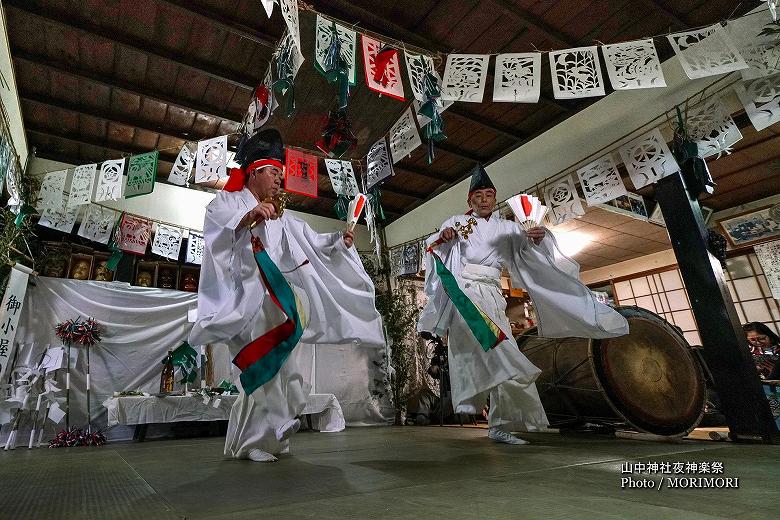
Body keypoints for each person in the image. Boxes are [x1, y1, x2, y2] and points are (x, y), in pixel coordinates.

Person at [189, 129, 384, 462]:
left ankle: (266, 439)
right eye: (274, 171)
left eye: (282, 172)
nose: (280, 178)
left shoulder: (280, 216)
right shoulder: (229, 201)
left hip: (276, 301)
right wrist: (247, 217)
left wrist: (339, 241)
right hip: (246, 300)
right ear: (254, 172)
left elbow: (311, 241)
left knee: (286, 370)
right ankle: (253, 442)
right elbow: (218, 230)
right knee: (263, 369)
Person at [418, 165, 629, 445]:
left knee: (502, 356)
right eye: (478, 195)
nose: (483, 200)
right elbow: (433, 247)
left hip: (492, 295)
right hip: (466, 296)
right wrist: (443, 239)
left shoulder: (507, 227)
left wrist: (540, 238)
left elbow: (529, 251)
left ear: (495, 199)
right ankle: (506, 394)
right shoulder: (456, 221)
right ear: (469, 200)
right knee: (501, 354)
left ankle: (500, 425)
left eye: (489, 195)